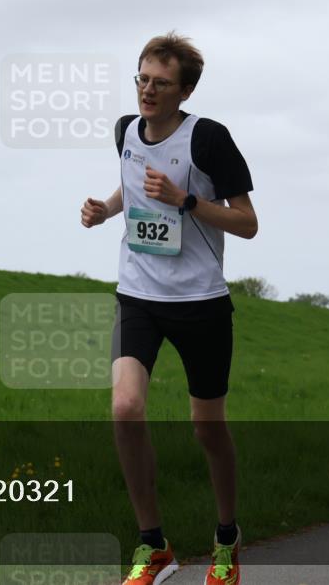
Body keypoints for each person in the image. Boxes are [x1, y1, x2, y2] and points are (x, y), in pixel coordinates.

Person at [81, 31, 257, 585]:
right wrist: (107, 209)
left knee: (208, 431)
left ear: (184, 91)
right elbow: (133, 185)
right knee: (125, 408)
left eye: (161, 83)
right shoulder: (125, 131)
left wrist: (185, 201)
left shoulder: (208, 140)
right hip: (138, 295)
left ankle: (226, 538)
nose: (147, 91)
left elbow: (247, 223)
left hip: (200, 302)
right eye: (142, 79)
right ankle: (153, 545)